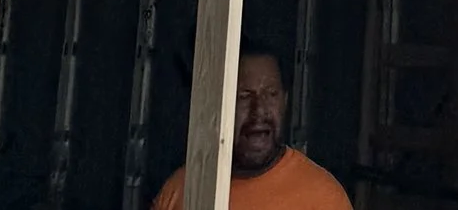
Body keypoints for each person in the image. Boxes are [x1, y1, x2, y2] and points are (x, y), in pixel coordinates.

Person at [149, 50, 351, 210]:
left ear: (285, 102)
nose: (259, 110)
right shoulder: (180, 191)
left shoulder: (323, 197)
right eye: (244, 96)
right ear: (219, 103)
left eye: (271, 94)